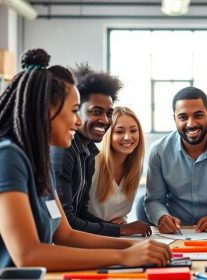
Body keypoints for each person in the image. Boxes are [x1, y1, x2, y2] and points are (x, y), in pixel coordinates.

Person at [0, 48, 171, 270]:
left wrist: (135, 246)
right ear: (47, 110)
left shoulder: (39, 162)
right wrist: (123, 257)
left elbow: (66, 235)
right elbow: (27, 255)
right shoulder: (8, 156)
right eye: (73, 111)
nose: (77, 122)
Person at [51, 64, 150, 237]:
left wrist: (118, 229)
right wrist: (120, 231)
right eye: (96, 112)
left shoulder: (88, 153)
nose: (104, 120)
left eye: (109, 113)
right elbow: (64, 221)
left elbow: (80, 213)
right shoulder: (64, 150)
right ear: (76, 110)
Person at [144, 86, 207, 233]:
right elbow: (154, 200)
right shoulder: (159, 151)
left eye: (198, 115)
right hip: (176, 231)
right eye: (183, 117)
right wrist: (162, 217)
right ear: (174, 118)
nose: (191, 124)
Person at [88, 106, 145, 225]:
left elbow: (119, 214)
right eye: (119, 131)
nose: (128, 137)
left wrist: (122, 220)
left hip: (116, 235)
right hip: (90, 234)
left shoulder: (136, 168)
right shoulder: (93, 163)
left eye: (133, 130)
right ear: (108, 134)